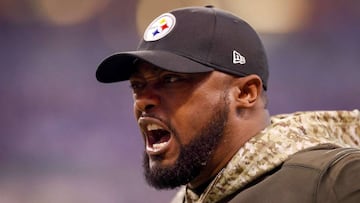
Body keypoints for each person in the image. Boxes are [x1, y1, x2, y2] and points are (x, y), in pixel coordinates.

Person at [96, 6, 360, 203]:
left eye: (171, 79)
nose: (144, 101)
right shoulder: (189, 198)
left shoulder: (335, 180)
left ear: (246, 92)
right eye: (137, 86)